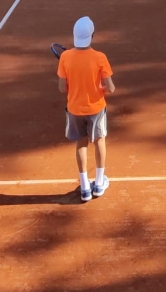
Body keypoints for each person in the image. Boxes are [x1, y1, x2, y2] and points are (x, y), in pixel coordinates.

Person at [58, 16, 115, 202]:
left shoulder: (65, 57)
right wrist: (101, 89)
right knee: (99, 141)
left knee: (81, 143)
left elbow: (61, 87)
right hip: (96, 108)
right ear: (92, 35)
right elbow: (111, 88)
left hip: (75, 109)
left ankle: (84, 187)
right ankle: (99, 183)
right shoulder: (100, 58)